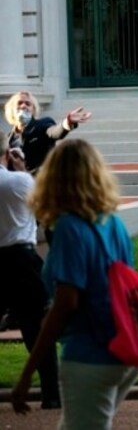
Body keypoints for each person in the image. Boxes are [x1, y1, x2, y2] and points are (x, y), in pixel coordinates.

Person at [11, 139, 138, 429]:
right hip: (125, 346)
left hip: (91, 350)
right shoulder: (112, 221)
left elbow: (65, 303)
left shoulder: (70, 227)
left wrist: (28, 372)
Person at [0, 135, 60, 410]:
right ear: (6, 152)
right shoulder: (18, 181)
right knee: (36, 327)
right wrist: (21, 166)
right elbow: (41, 204)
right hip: (21, 258)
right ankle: (50, 394)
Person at [4, 91, 92, 173]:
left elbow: (54, 132)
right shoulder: (8, 139)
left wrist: (67, 123)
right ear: (12, 110)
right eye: (19, 103)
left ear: (33, 110)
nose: (23, 106)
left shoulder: (42, 125)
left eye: (28, 104)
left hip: (41, 182)